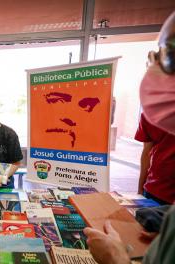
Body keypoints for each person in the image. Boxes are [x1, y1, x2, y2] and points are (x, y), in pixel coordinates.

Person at [84, 11, 175, 264]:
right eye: (156, 57)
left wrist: (115, 258)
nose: (155, 68)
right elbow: (147, 152)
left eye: (169, 56)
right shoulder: (154, 116)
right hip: (154, 193)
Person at [134, 113, 175, 205]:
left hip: (156, 188)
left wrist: (140, 188)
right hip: (157, 189)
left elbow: (146, 152)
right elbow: (147, 153)